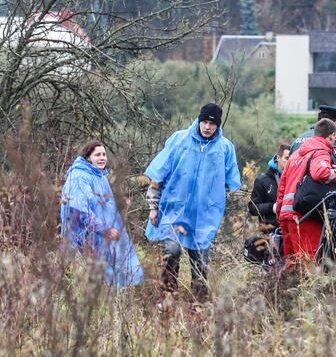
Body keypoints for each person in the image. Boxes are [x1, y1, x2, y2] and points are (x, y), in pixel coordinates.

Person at [144, 103, 241, 299]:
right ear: (198, 120)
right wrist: (153, 207)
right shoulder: (179, 140)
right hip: (173, 211)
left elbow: (229, 183)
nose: (207, 127)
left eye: (212, 124)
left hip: (203, 218)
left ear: (218, 125)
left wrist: (213, 204)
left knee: (200, 260)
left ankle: (198, 305)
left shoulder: (225, 148)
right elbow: (157, 176)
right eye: (204, 122)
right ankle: (167, 296)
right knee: (171, 252)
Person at [60, 140, 144, 287]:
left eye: (104, 154)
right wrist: (105, 230)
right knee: (93, 276)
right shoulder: (79, 177)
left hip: (100, 235)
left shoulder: (99, 175)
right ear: (87, 158)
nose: (102, 158)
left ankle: (117, 297)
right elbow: (82, 211)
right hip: (86, 236)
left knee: (112, 270)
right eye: (97, 154)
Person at [275, 118, 336, 264]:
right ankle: (308, 288)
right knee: (309, 265)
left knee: (291, 265)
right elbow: (320, 172)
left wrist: (280, 215)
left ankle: (286, 288)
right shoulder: (320, 152)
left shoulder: (295, 155)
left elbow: (282, 186)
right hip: (304, 215)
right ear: (331, 135)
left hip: (286, 217)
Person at [249, 143, 290, 231]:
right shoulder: (261, 181)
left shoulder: (295, 179)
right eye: (287, 158)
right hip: (270, 232)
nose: (290, 161)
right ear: (278, 158)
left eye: (291, 158)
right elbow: (252, 208)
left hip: (291, 229)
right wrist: (272, 207)